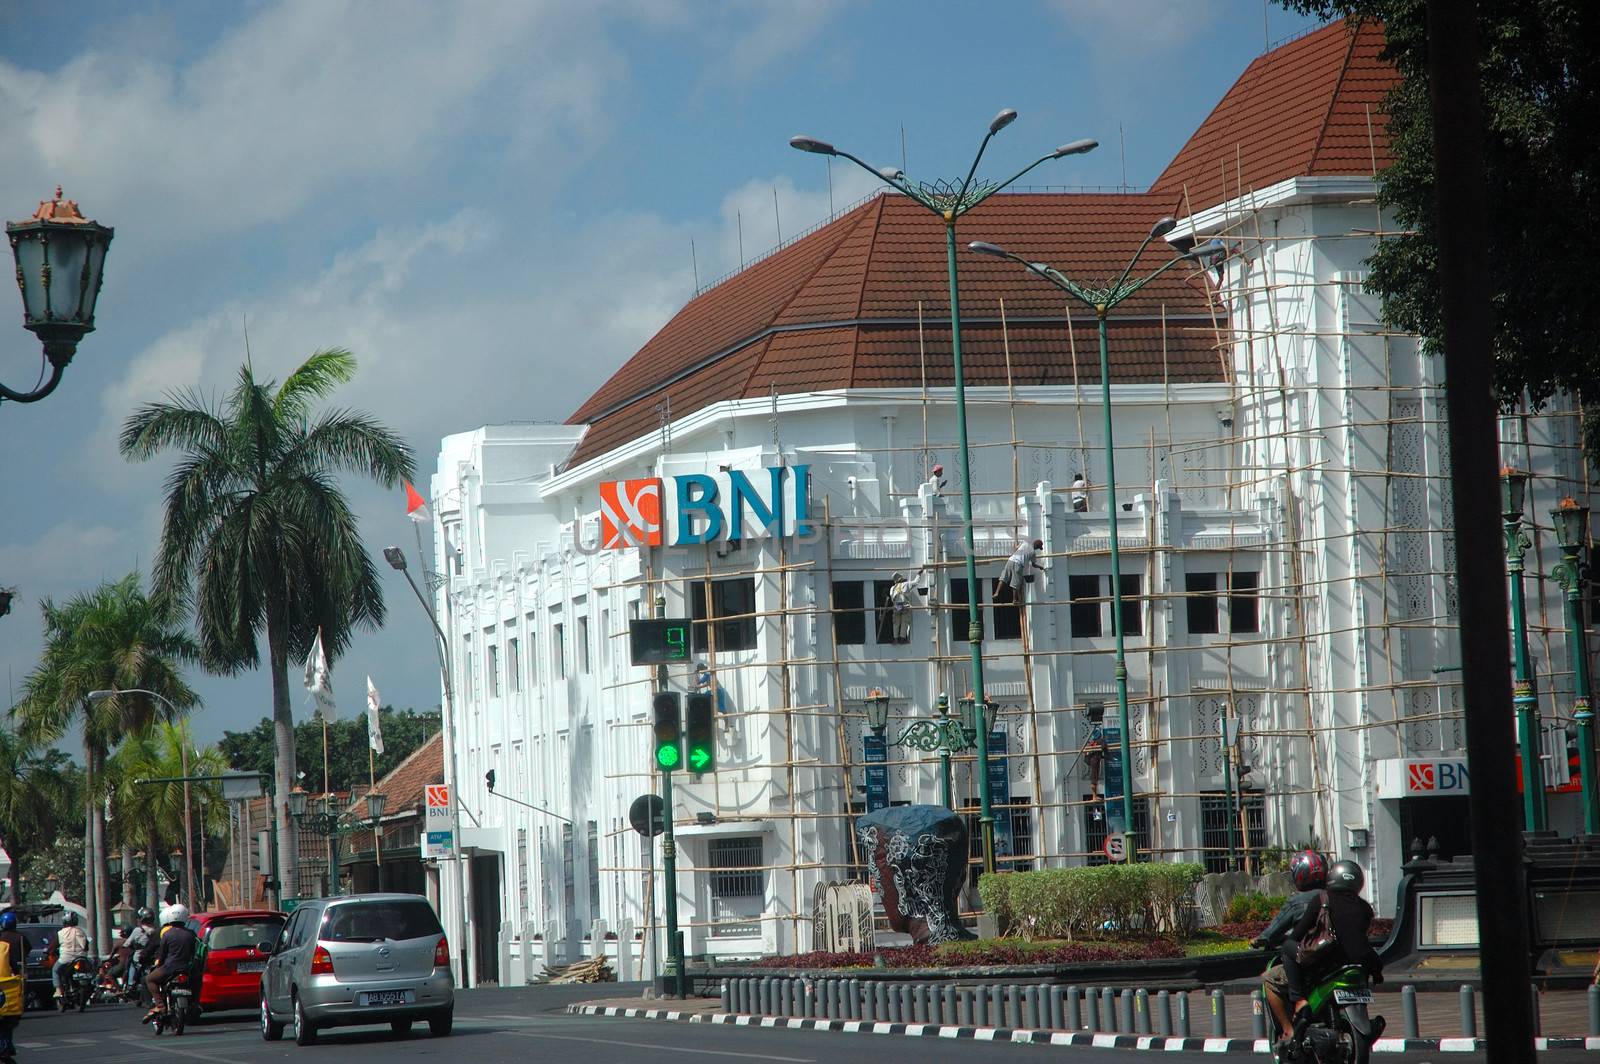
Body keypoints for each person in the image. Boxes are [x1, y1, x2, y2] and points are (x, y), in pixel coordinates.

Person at [1277, 859, 1384, 1055]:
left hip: (1328, 959)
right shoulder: (1365, 908)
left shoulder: (1322, 900)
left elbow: (1297, 935)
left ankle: (1299, 999)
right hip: (1360, 963)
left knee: (1287, 947)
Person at [1253, 849, 1328, 1040]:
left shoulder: (1298, 901)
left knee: (1269, 979)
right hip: (1334, 959)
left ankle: (1288, 1030)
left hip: (1308, 960)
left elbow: (1273, 931)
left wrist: (1260, 939)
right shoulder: (1334, 895)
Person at [142, 904, 197, 1025]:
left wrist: (159, 965)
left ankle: (160, 1006)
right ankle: (195, 1004)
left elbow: (162, 954)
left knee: (149, 979)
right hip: (186, 968)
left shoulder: (167, 934)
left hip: (169, 968)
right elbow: (194, 952)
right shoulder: (191, 934)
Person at [1, 910, 26, 1061]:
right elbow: (16, 967)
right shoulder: (5, 946)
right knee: (9, 1020)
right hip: (8, 991)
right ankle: (7, 1046)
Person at [51, 911, 89, 1002]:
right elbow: (86, 947)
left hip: (65, 959)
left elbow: (53, 946)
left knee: (55, 970)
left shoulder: (60, 933)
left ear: (64, 921)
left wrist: (48, 952)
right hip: (81, 958)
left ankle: (58, 990)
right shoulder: (81, 931)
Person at [997, 538, 1046, 604]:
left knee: (1003, 577)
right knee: (1015, 583)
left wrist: (1015, 547)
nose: (1037, 549)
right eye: (1038, 548)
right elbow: (1033, 565)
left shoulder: (1025, 543)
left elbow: (1016, 548)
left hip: (1010, 560)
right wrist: (1040, 567)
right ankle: (1014, 600)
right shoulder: (1033, 553)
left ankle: (996, 592)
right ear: (1036, 547)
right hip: (1018, 564)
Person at [887, 572, 912, 641]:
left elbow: (892, 597)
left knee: (896, 622)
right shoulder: (905, 584)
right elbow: (915, 582)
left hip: (897, 605)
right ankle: (902, 638)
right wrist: (919, 575)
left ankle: (895, 638)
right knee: (904, 621)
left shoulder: (893, 588)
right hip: (904, 605)